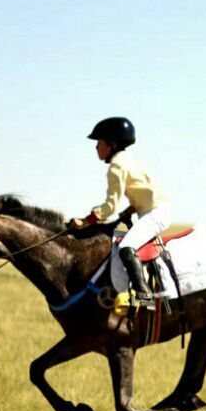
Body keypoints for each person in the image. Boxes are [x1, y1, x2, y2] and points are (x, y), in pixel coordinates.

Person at [69, 117, 170, 308]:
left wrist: (86, 221)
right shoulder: (130, 160)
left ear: (111, 144)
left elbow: (110, 207)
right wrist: (129, 211)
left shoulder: (117, 166)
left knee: (126, 247)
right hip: (155, 210)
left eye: (99, 142)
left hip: (155, 213)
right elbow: (144, 190)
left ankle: (144, 296)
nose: (96, 147)